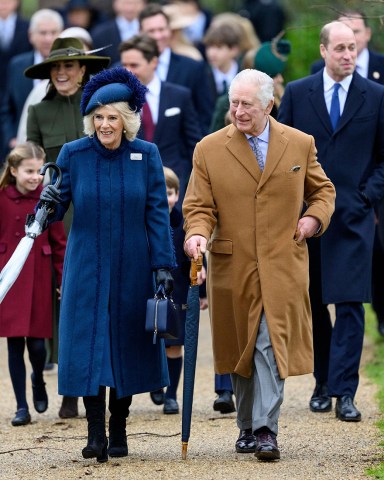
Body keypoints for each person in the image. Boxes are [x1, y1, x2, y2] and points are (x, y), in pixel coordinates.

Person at [183, 68, 335, 461]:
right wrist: (196, 234)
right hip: (232, 265)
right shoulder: (209, 148)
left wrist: (313, 218)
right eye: (234, 103)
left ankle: (267, 428)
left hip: (283, 262)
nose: (238, 111)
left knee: (270, 342)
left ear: (269, 105)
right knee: (241, 349)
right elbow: (199, 206)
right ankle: (247, 425)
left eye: (246, 104)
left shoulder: (299, 143)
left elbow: (323, 191)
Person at [38, 66, 176, 463]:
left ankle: (120, 428)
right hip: (87, 265)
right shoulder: (73, 154)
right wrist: (43, 208)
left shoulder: (145, 154)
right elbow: (55, 202)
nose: (104, 124)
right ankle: (95, 431)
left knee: (128, 345)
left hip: (134, 265)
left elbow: (156, 214)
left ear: (126, 120)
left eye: (111, 116)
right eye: (97, 117)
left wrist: (163, 264)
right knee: (90, 346)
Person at [278, 21, 384, 421]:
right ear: (323, 51)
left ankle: (346, 392)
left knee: (351, 304)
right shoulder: (297, 93)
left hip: (355, 218)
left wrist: (365, 194)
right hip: (308, 219)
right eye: (339, 48)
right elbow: (283, 150)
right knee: (315, 303)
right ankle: (322, 383)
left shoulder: (375, 96)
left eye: (352, 48)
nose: (347, 55)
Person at [24, 36, 110, 419]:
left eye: (69, 66)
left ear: (83, 70)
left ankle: (105, 382)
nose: (62, 72)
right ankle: (69, 390)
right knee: (64, 300)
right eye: (55, 68)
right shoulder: (38, 113)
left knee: (102, 296)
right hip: (60, 218)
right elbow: (34, 167)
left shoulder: (101, 108)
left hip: (100, 212)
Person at [0, 142, 66, 427]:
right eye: (28, 171)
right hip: (10, 276)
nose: (35, 177)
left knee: (38, 346)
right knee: (15, 345)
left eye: (39, 172)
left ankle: (38, 378)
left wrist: (63, 278)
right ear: (13, 170)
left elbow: (60, 243)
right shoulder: (1, 197)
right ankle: (21, 406)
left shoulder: (49, 199)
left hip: (40, 275)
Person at [119, 33, 202, 203]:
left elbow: (194, 144)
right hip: (132, 187)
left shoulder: (180, 96)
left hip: (175, 188)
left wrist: (189, 181)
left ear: (154, 62)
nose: (128, 71)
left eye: (134, 65)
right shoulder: (118, 100)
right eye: (124, 65)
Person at [139, 3, 214, 135]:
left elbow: (205, 117)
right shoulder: (127, 68)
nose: (158, 36)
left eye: (161, 29)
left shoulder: (193, 68)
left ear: (170, 31)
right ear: (140, 33)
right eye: (151, 31)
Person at [1, 8, 63, 157]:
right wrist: (11, 138)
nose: (48, 39)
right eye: (43, 33)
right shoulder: (17, 65)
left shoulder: (69, 67)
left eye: (53, 32)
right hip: (21, 147)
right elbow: (6, 108)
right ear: (31, 36)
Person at [91, 0, 147, 64]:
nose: (130, 8)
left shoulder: (152, 31)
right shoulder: (99, 34)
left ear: (144, 5)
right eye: (126, 3)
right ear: (115, 3)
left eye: (135, 3)